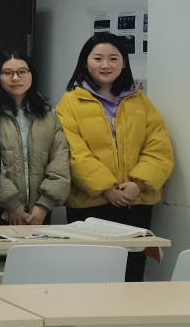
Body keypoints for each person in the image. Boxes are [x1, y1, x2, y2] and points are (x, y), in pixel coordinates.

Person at [57, 33, 173, 281]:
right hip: (90, 204)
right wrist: (106, 188)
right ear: (85, 62)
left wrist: (138, 183)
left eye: (113, 58)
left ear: (124, 63)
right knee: (90, 276)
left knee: (132, 274)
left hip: (135, 201)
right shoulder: (69, 103)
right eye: (98, 58)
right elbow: (73, 152)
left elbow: (158, 147)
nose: (105, 65)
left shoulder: (140, 101)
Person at [0, 50, 70, 226]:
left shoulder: (49, 115)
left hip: (40, 212)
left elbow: (60, 159)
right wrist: (11, 204)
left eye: (22, 72)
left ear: (32, 74)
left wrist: (44, 204)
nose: (15, 78)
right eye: (7, 73)